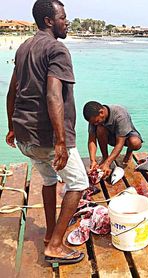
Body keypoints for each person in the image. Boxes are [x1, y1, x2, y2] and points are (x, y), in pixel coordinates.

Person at [6, 0, 88, 264]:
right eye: (63, 17)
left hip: (24, 136)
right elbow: (54, 94)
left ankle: (50, 234)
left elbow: (12, 92)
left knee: (49, 180)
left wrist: (10, 127)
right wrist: (61, 142)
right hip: (47, 137)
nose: (67, 21)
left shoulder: (24, 47)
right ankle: (55, 246)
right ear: (49, 21)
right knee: (78, 184)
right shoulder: (57, 49)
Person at [83, 101, 143, 177]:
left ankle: (129, 152)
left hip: (125, 137)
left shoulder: (120, 114)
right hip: (110, 136)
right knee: (100, 128)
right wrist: (93, 160)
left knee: (135, 143)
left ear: (101, 112)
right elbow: (91, 140)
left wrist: (107, 164)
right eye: (93, 123)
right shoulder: (94, 119)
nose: (95, 124)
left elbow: (120, 144)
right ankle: (105, 156)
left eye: (96, 121)